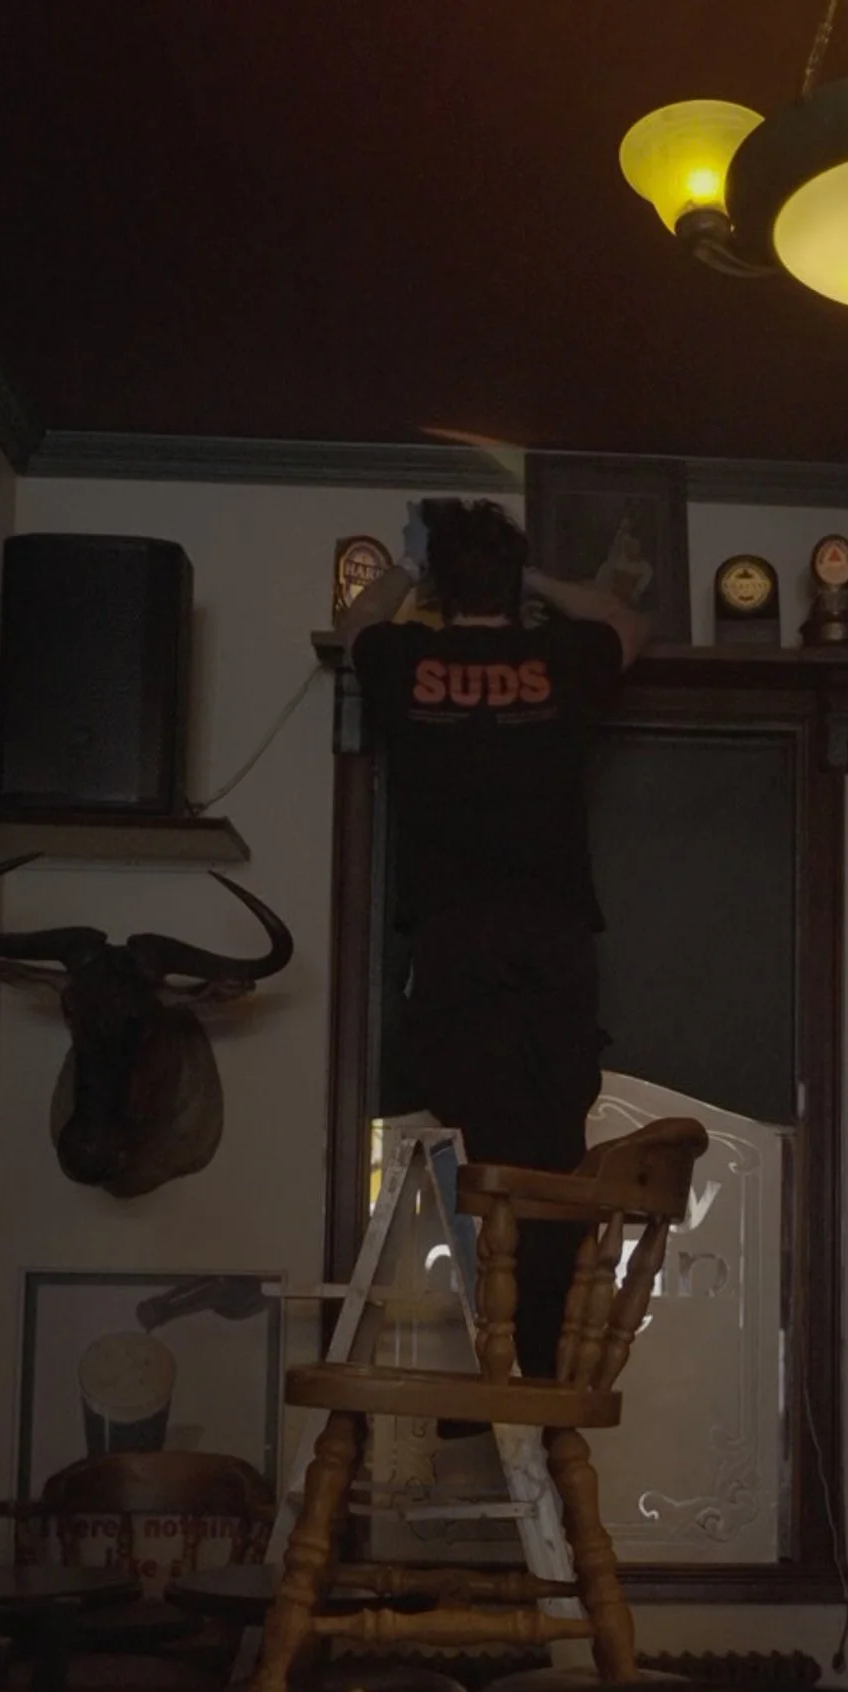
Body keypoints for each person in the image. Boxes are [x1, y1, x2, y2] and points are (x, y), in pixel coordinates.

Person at [338, 497, 648, 1384]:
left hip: (456, 936)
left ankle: (495, 1360)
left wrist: (408, 568)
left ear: (440, 583)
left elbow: (355, 618)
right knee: (552, 1151)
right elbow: (628, 621)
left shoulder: (406, 658)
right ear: (513, 587)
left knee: (475, 1146)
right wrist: (541, 579)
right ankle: (539, 1364)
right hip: (551, 934)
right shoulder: (559, 655)